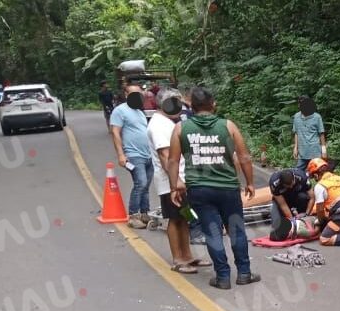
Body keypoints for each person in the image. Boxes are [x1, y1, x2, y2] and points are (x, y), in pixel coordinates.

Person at [168, 86, 259, 290]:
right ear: (213, 104)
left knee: (212, 232)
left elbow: (173, 161)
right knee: (236, 230)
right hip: (228, 187)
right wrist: (250, 182)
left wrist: (174, 187)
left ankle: (223, 277)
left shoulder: (181, 129)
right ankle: (244, 273)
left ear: (191, 106)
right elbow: (244, 157)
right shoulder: (228, 126)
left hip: (199, 189)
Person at [148, 89, 209, 274]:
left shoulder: (168, 122)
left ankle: (187, 255)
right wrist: (177, 181)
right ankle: (178, 259)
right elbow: (165, 155)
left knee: (184, 216)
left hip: (179, 179)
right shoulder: (158, 125)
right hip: (171, 182)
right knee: (174, 219)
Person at [109, 83, 154, 229]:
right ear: (127, 95)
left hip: (148, 155)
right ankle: (133, 215)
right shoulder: (120, 111)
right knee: (140, 183)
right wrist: (121, 155)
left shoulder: (140, 111)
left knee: (146, 185)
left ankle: (144, 213)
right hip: (134, 155)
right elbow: (115, 132)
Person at [268, 167, 314, 241]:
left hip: (297, 197)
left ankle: (301, 218)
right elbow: (283, 204)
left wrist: (307, 214)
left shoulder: (302, 177)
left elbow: (312, 198)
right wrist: (292, 220)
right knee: (276, 225)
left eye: (292, 184)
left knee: (303, 197)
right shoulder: (274, 183)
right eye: (288, 186)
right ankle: (293, 222)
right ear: (282, 183)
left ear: (294, 178)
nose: (291, 187)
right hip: (283, 199)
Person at [292, 95, 326, 170]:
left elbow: (321, 133)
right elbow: (296, 133)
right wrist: (295, 148)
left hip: (315, 152)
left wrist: (324, 151)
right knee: (298, 173)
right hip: (302, 153)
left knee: (317, 174)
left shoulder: (317, 117)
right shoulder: (296, 117)